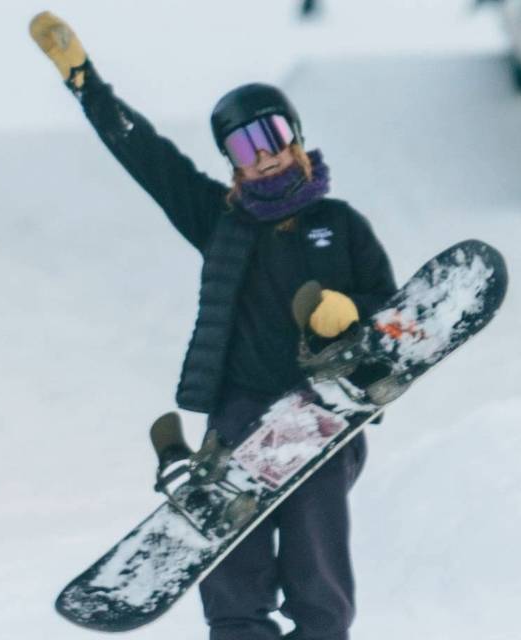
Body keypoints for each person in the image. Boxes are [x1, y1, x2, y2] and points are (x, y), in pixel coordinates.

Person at [34, 14, 395, 640]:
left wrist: (347, 312)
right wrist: (85, 82)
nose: (265, 155)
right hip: (241, 407)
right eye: (244, 147)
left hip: (323, 408)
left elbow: (393, 308)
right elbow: (149, 159)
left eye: (272, 135)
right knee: (231, 554)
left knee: (314, 553)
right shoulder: (222, 222)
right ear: (232, 163)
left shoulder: (339, 224)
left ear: (296, 138)